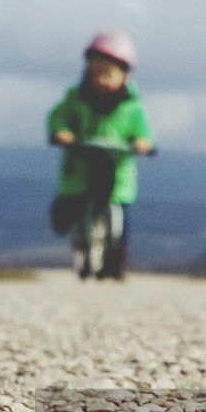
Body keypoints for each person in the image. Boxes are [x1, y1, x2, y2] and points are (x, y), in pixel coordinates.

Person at [46, 32, 154, 273]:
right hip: (81, 170)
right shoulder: (76, 100)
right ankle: (74, 230)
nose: (102, 79)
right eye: (97, 72)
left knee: (120, 214)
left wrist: (142, 142)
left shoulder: (132, 108)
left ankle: (117, 258)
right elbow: (58, 118)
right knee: (72, 208)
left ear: (124, 75)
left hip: (117, 172)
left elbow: (144, 131)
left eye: (109, 73)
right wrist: (62, 131)